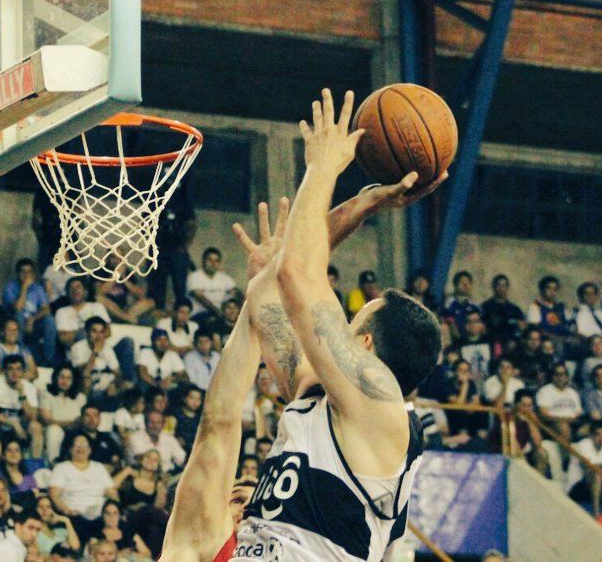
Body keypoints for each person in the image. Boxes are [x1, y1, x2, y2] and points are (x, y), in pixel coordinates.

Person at [235, 91, 443, 559]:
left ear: (365, 346)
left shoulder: (381, 404)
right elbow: (273, 289)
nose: (340, 326)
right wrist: (365, 204)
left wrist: (323, 167)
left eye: (352, 322)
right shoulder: (320, 395)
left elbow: (296, 274)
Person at [48, 433, 117, 540]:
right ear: (70, 449)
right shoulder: (61, 468)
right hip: (75, 516)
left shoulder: (99, 467)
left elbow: (112, 493)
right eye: (77, 445)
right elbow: (54, 495)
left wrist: (115, 511)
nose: (80, 448)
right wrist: (67, 511)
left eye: (84, 445)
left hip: (101, 516)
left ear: (90, 450)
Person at [0, 355, 44, 459]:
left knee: (36, 426)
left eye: (18, 369)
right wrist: (13, 424)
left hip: (21, 425)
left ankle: (34, 464)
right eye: (10, 369)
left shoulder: (29, 387)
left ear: (23, 372)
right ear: (4, 371)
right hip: (2, 423)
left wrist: (21, 394)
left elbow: (32, 416)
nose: (14, 373)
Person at [2, 259, 59, 368]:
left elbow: (46, 309)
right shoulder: (10, 287)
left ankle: (49, 361)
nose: (26, 274)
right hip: (14, 324)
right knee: (19, 315)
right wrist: (24, 288)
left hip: (32, 324)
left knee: (50, 321)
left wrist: (33, 319)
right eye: (22, 271)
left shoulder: (38, 288)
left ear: (33, 274)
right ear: (17, 273)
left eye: (29, 272)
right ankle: (20, 358)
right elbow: (18, 307)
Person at [40, 365, 87, 462]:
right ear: (55, 377)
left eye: (69, 378)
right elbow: (47, 420)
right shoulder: (47, 395)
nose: (65, 381)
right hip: (55, 429)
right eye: (62, 377)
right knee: (55, 430)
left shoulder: (80, 398)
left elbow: (83, 419)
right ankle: (53, 463)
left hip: (76, 431)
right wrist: (69, 424)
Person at [54, 279, 110, 353]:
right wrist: (84, 333)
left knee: (126, 342)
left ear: (85, 291)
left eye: (78, 287)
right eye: (71, 288)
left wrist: (91, 335)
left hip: (103, 350)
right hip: (78, 354)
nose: (75, 290)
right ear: (67, 293)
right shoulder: (61, 312)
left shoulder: (97, 307)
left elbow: (108, 331)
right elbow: (63, 338)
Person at [186, 247, 237, 324]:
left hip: (221, 316)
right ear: (203, 261)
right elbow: (201, 298)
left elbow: (234, 294)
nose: (213, 264)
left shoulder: (225, 278)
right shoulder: (194, 277)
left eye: (216, 261)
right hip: (199, 315)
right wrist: (219, 312)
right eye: (210, 260)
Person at [527, 276, 574, 356]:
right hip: (547, 339)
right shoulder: (535, 306)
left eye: (554, 289)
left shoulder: (560, 307)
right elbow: (536, 328)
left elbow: (569, 323)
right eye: (549, 288)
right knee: (558, 344)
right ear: (541, 290)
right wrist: (555, 337)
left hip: (563, 337)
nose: (552, 292)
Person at [0, 441, 40, 509]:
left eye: (17, 450)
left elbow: (36, 495)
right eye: (9, 450)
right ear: (3, 455)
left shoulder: (28, 476)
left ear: (21, 456)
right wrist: (29, 494)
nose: (13, 454)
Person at [480, 274, 525, 345]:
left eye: (504, 285)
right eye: (498, 285)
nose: (501, 288)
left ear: (507, 288)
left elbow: (522, 328)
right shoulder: (485, 307)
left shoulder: (515, 309)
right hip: (490, 342)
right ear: (493, 287)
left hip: (511, 345)